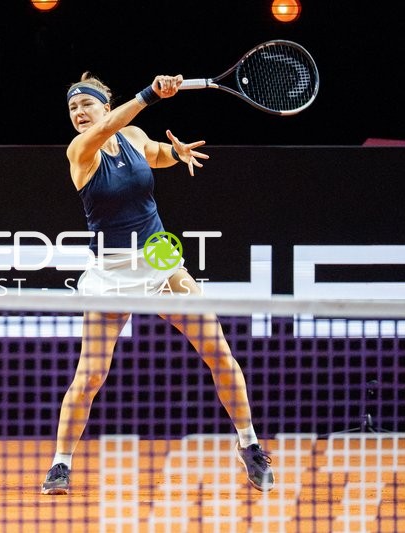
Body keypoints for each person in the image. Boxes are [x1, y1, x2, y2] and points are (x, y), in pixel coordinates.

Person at [41, 72, 274, 495]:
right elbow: (107, 129)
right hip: (110, 273)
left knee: (218, 352)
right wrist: (149, 94)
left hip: (160, 260)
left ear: (104, 105)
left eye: (87, 104)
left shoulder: (131, 135)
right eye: (73, 107)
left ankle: (249, 444)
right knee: (90, 375)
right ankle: (61, 463)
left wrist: (174, 152)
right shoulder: (80, 151)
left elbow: (154, 154)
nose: (79, 112)